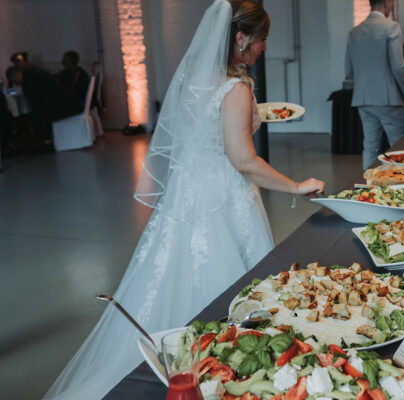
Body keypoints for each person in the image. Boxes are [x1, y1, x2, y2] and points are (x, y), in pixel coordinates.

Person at [44, 1, 325, 399]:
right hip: (226, 202)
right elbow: (244, 161)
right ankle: (229, 375)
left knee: (167, 282)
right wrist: (297, 187)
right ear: (242, 39)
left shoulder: (195, 77)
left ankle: (178, 370)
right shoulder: (237, 88)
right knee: (231, 291)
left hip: (185, 199)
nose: (264, 48)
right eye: (262, 40)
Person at [345, 0, 404, 170]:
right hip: (389, 98)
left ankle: (369, 188)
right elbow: (399, 67)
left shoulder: (354, 31)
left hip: (363, 98)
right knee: (400, 146)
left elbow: (348, 70)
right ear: (387, 3)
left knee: (370, 147)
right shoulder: (391, 27)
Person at [6, 64, 81, 152]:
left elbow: (35, 102)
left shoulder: (29, 80)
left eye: (13, 81)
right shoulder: (33, 73)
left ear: (15, 76)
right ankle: (46, 141)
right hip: (69, 103)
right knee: (37, 114)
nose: (15, 83)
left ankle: (47, 143)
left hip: (64, 107)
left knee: (36, 117)